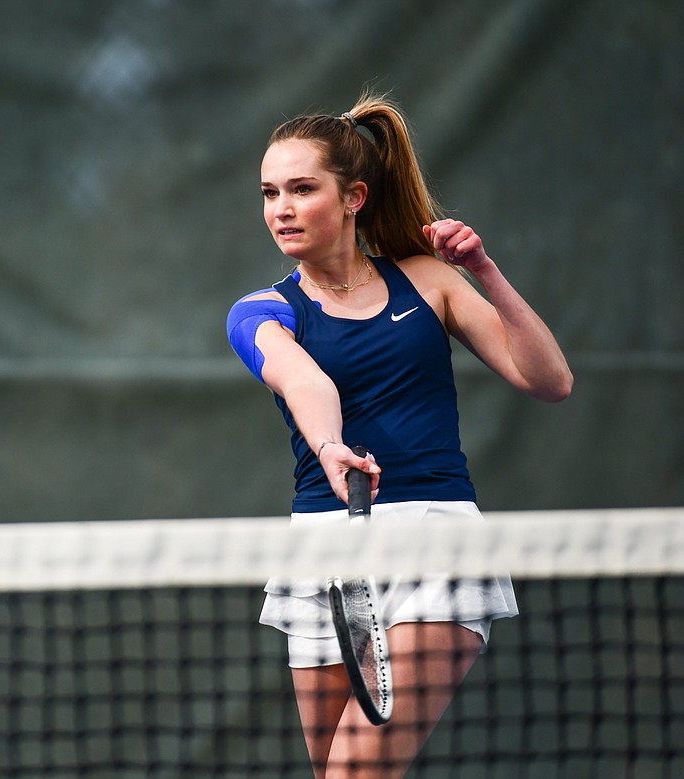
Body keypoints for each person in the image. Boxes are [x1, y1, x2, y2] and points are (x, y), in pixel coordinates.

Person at [225, 92, 573, 778]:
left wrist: (486, 272)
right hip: (324, 545)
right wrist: (330, 446)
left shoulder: (430, 282)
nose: (281, 209)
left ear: (353, 197)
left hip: (436, 537)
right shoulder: (259, 311)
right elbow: (307, 383)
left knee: (356, 772)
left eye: (302, 189)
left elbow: (549, 378)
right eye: (270, 192)